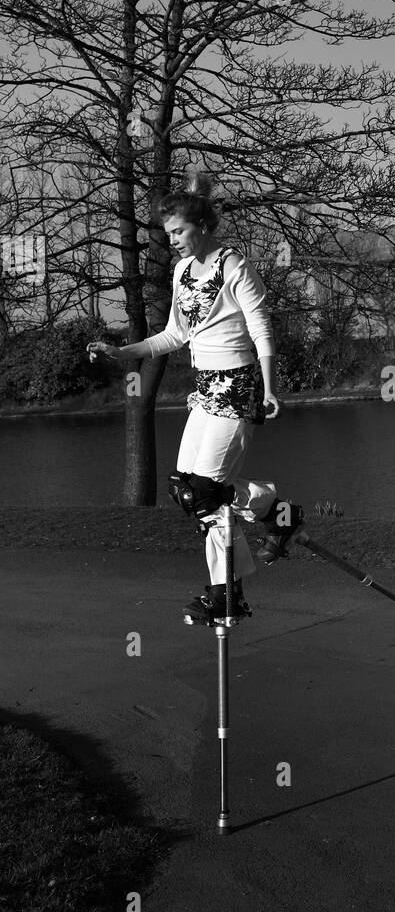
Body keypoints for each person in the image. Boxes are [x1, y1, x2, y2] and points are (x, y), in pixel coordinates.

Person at [87, 177, 303, 626]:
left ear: (203, 226)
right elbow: (175, 334)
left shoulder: (234, 265)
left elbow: (262, 328)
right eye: (168, 234)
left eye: (179, 232)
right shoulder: (181, 272)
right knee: (185, 489)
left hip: (239, 383)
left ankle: (227, 594)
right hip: (205, 387)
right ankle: (277, 513)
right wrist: (122, 352)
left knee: (204, 493)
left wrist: (269, 388)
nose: (173, 242)